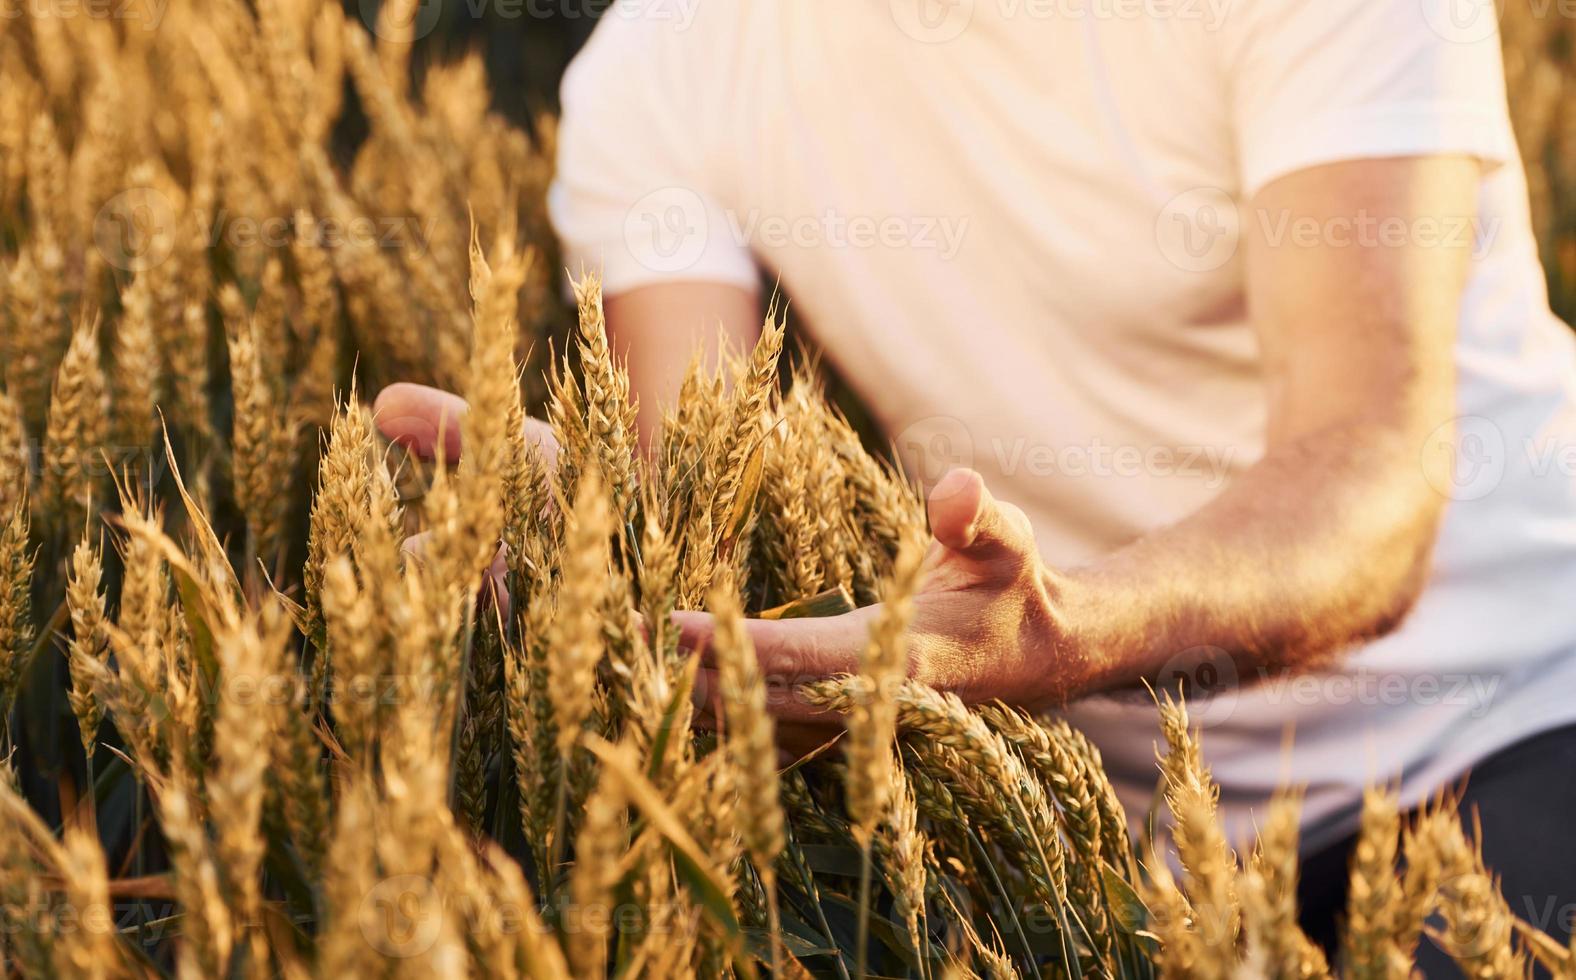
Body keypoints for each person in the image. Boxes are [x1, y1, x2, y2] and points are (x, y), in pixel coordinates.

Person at [374, 0, 1576, 965]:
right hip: (1102, 833)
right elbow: (689, 495)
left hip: (1517, 711)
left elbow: (1363, 479)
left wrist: (1069, 629)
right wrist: (600, 541)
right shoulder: (656, 69)